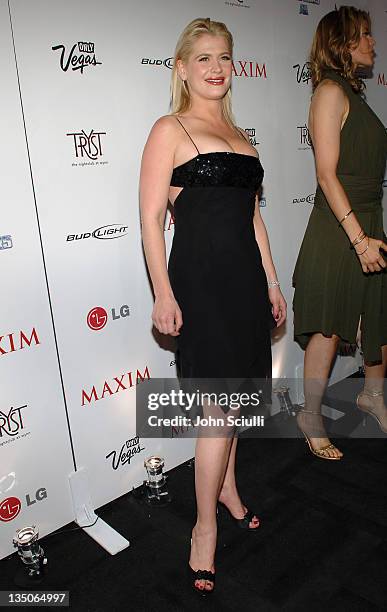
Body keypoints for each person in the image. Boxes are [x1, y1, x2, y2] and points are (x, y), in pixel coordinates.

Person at [140, 18, 286, 595]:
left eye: (224, 57)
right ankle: (203, 530)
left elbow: (253, 218)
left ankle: (226, 489)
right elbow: (152, 219)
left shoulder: (241, 133)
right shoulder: (169, 129)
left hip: (246, 286)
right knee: (217, 411)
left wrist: (273, 283)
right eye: (203, 58)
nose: (217, 67)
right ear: (182, 69)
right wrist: (163, 292)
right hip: (200, 287)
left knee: (236, 400)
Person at [293, 6, 387, 459]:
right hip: (340, 227)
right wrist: (358, 239)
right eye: (363, 35)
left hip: (368, 216)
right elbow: (327, 175)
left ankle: (372, 394)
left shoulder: (356, 93)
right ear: (342, 43)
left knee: (377, 314)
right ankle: (309, 413)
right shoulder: (330, 92)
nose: (372, 43)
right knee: (329, 326)